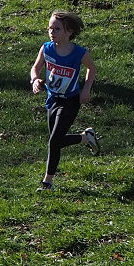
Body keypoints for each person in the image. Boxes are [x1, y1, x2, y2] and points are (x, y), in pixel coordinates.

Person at [30, 11, 99, 191]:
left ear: (69, 32)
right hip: (52, 99)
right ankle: (86, 137)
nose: (51, 32)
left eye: (57, 29)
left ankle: (47, 182)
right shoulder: (46, 48)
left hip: (70, 101)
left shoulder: (79, 53)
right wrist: (35, 80)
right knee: (56, 141)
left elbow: (92, 69)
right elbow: (35, 68)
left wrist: (86, 89)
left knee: (54, 141)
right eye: (50, 28)